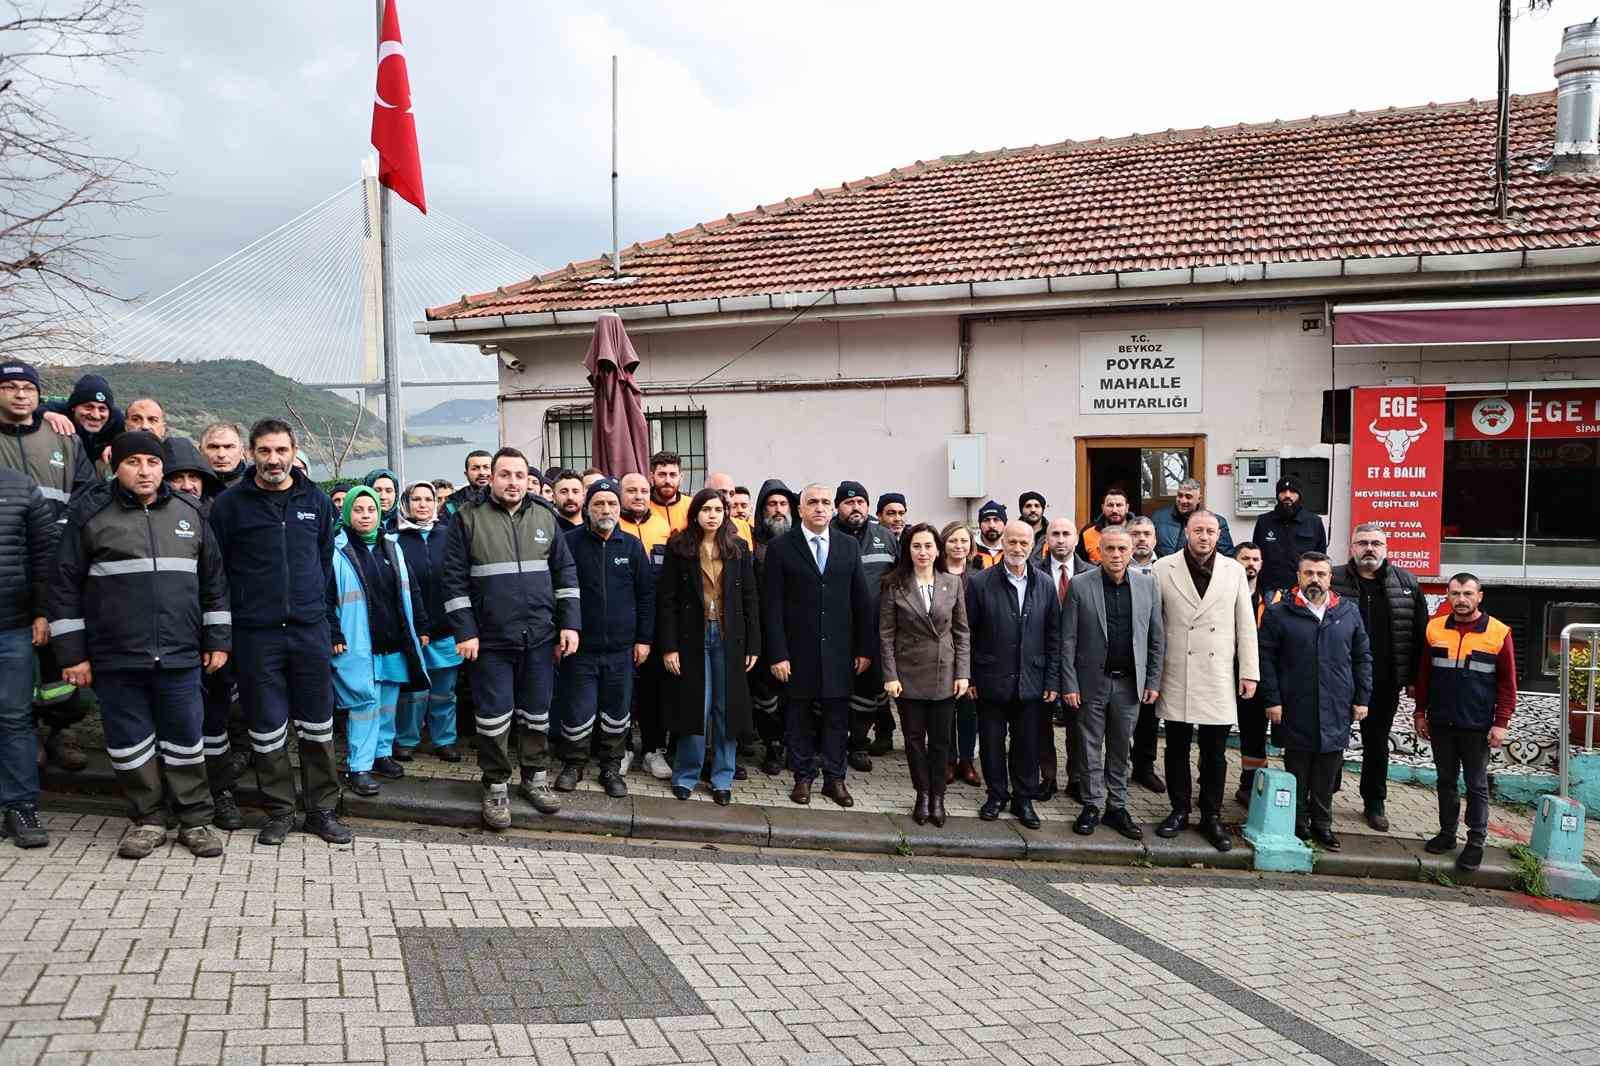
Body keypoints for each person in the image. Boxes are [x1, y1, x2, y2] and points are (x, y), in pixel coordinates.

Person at [50, 431, 231, 859]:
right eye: (134, 463)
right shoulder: (90, 514)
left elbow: (214, 584)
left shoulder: (189, 512)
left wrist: (218, 639)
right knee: (130, 744)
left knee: (187, 740)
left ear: (161, 467)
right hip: (117, 656)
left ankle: (195, 820)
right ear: (117, 465)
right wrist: (72, 653)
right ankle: (148, 819)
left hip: (180, 653)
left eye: (152, 462)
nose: (145, 471)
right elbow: (63, 587)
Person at [210, 419, 352, 846]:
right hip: (256, 635)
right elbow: (217, 575)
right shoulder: (230, 506)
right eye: (265, 451)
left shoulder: (317, 501)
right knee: (267, 726)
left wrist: (328, 624)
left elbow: (324, 566)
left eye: (281, 451)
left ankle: (322, 810)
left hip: (309, 632)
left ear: (294, 452)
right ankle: (279, 811)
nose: (274, 460)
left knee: (318, 725)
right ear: (251, 454)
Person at [441, 447, 580, 829]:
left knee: (537, 713)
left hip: (539, 635)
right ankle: (496, 784)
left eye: (520, 475)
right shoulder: (467, 518)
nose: (513, 482)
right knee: (493, 717)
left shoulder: (545, 516)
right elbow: (453, 580)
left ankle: (535, 779)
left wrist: (569, 625)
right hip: (490, 640)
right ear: (492, 478)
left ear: (527, 478)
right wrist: (466, 631)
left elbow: (565, 574)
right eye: (506, 475)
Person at [0, 361, 97, 777]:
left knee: (62, 663)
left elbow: (88, 492)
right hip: (9, 573)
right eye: (11, 387)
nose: (21, 395)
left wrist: (65, 532)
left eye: (28, 388)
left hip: (57, 568)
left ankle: (60, 732)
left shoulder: (61, 436)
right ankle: (27, 740)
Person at [1151, 510, 1259, 853]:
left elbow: (1246, 625)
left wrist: (1249, 672)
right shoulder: (1162, 568)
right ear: (1186, 532)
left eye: (1211, 531)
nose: (1204, 536)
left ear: (1218, 535)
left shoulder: (1234, 571)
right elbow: (1154, 625)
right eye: (1198, 530)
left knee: (1215, 751)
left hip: (1218, 673)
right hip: (1177, 670)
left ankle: (1210, 815)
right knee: (1177, 747)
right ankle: (1179, 809)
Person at [763, 483, 871, 808]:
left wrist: (864, 648)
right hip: (797, 652)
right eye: (813, 502)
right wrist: (778, 653)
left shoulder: (848, 546)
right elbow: (772, 606)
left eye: (825, 502)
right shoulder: (781, 547)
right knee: (799, 717)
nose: (820, 508)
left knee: (838, 717)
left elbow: (861, 602)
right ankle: (803, 777)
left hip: (839, 651)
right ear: (801, 509)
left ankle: (835, 779)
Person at [1260, 552, 1372, 850]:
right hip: (1295, 704)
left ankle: (1322, 824)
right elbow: (1266, 660)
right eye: (1308, 573)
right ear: (1298, 577)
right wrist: (1273, 700)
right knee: (1298, 769)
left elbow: (1362, 658)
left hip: (1337, 705)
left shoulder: (1347, 612)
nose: (1315, 579)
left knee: (1327, 770)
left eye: (1321, 574)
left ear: (1329, 578)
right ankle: (1297, 823)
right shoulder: (1279, 613)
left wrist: (1362, 698)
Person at [1060, 526, 1163, 840]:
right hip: (1092, 682)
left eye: (1122, 549)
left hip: (1130, 684)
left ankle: (1116, 806)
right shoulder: (1080, 585)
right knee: (1089, 746)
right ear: (1099, 552)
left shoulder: (1148, 586)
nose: (1116, 555)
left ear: (1131, 551)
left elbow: (1156, 639)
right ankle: (1092, 804)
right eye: (1110, 549)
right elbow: (1068, 640)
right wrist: (1070, 684)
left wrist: (1153, 680)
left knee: (1121, 748)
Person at [161, 436, 243, 828]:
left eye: (195, 477)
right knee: (174, 724)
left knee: (214, 721)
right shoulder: (151, 522)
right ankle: (176, 798)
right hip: (167, 638)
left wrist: (220, 640)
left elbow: (221, 585)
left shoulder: (218, 516)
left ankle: (220, 791)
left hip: (213, 639)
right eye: (178, 477)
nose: (189, 485)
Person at [553, 478, 653, 797]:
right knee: (579, 711)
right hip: (580, 649)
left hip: (622, 650)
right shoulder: (569, 542)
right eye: (599, 504)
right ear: (588, 507)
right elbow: (556, 592)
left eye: (611, 503)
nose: (605, 509)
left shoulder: (633, 547)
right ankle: (574, 764)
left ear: (618, 507)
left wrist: (644, 640)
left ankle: (610, 768)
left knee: (617, 712)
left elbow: (646, 596)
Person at [658, 487, 758, 804]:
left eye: (718, 509)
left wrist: (753, 644)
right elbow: (667, 601)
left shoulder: (739, 548)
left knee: (725, 708)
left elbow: (751, 600)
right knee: (695, 708)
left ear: (725, 513)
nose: (712, 515)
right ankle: (686, 775)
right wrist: (669, 646)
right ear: (695, 513)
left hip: (729, 638)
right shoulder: (679, 548)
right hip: (692, 638)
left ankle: (722, 778)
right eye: (706, 509)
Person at [1414, 573, 1517, 873]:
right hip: (1442, 721)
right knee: (1445, 781)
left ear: (1479, 596)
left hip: (1477, 724)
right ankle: (1447, 834)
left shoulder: (1498, 632)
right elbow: (1424, 676)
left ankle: (1475, 842)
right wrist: (1421, 712)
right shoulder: (1435, 628)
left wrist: (1501, 722)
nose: (1461, 600)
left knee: (1476, 785)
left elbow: (1508, 684)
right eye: (1455, 593)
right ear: (1447, 595)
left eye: (1468, 593)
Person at [331, 486, 430, 797]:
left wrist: (422, 626)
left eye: (370, 510)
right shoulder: (337, 551)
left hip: (394, 643)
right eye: (358, 510)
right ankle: (358, 767)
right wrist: (334, 632)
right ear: (347, 513)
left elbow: (411, 590)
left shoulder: (392, 547)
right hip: (360, 644)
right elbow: (323, 598)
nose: (365, 516)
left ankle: (381, 755)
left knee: (388, 705)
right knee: (364, 705)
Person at [1331, 523, 1429, 832]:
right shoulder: (1332, 578)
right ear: (1352, 547)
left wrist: (1414, 679)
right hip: (1339, 677)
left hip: (1385, 681)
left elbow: (1418, 635)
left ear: (1386, 548)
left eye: (1376, 543)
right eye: (1363, 542)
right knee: (1333, 740)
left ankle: (1374, 802)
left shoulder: (1407, 584)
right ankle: (1323, 797)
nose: (1369, 548)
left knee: (1377, 743)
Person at [966, 520, 1060, 829]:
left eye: (1024, 543)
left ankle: (1023, 799)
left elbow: (1053, 636)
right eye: (1012, 542)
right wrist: (971, 677)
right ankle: (996, 795)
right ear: (1002, 543)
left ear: (1033, 546)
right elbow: (968, 633)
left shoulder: (1045, 583)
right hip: (991, 677)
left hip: (1031, 680)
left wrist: (1051, 679)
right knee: (992, 742)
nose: (1017, 548)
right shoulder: (980, 582)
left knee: (1027, 744)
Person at [880, 523, 969, 827]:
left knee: (941, 740)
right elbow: (886, 635)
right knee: (915, 740)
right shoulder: (894, 584)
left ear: (937, 549)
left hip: (945, 674)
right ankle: (923, 794)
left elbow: (961, 633)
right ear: (908, 550)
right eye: (917, 546)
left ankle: (939, 796)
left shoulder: (952, 583)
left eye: (928, 546)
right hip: (908, 676)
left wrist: (963, 673)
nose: (923, 552)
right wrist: (890, 675)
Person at [0, 468, 59, 849]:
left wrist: (42, 611)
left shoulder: (19, 486)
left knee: (14, 717)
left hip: (12, 625)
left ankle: (20, 806)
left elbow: (45, 553)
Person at [393, 482, 463, 764]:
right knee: (413, 691)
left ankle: (444, 740)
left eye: (428, 499)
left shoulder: (449, 536)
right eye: (416, 499)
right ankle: (407, 740)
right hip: (411, 630)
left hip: (446, 629)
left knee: (444, 691)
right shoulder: (394, 540)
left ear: (436, 504)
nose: (422, 504)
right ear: (406, 504)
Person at [835, 480, 899, 770]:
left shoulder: (884, 536)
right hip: (835, 630)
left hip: (874, 630)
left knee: (869, 691)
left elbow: (900, 579)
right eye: (849, 502)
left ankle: (858, 744)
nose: (855, 507)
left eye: (861, 501)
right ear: (838, 506)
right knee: (834, 690)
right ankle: (832, 743)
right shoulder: (828, 534)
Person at [618, 471, 674, 779]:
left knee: (655, 691)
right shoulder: (614, 525)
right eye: (631, 490)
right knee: (623, 691)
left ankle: (654, 750)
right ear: (620, 494)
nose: (638, 495)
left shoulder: (663, 527)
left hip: (657, 623)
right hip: (622, 623)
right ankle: (624, 748)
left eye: (643, 490)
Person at [1036, 517, 1092, 802]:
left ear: (1076, 539)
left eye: (1066, 534)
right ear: (1047, 539)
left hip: (1080, 662)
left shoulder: (1092, 573)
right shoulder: (1034, 573)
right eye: (1055, 534)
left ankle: (1077, 778)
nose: (1060, 539)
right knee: (1041, 724)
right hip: (1042, 659)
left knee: (1078, 724)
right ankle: (1047, 777)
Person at [749, 479, 798, 776]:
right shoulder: (752, 544)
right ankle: (772, 745)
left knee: (795, 695)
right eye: (772, 504)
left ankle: (795, 745)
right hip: (763, 634)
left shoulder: (802, 542)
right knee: (765, 695)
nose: (778, 510)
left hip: (796, 633)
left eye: (783, 504)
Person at [1232, 541, 1279, 806]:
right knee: (1213, 731)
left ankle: (1249, 787)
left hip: (1255, 677)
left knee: (1254, 733)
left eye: (1255, 559)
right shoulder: (1223, 592)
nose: (1250, 563)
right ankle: (1207, 781)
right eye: (1245, 558)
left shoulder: (1272, 599)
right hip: (1224, 672)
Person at [939, 519, 984, 787]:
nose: (958, 545)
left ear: (971, 546)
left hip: (971, 654)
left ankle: (966, 760)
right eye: (953, 540)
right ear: (944, 544)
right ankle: (947, 759)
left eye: (963, 541)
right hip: (941, 655)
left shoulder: (978, 578)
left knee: (968, 711)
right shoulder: (933, 574)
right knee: (944, 711)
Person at [1251, 476, 1328, 593]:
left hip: (1302, 591)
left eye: (1292, 491)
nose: (1287, 495)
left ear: (1300, 495)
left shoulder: (1314, 522)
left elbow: (1321, 560)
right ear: (1277, 495)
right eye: (1283, 491)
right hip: (1270, 591)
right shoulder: (1263, 522)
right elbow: (1256, 557)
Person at [44, 373, 123, 474]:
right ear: (74, 407)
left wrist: (115, 445)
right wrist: (47, 414)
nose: (96, 415)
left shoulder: (116, 419)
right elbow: (34, 410)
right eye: (88, 407)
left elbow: (125, 437)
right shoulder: (61, 411)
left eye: (102, 409)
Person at [1152, 478, 1235, 558]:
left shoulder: (1217, 522)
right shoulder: (1159, 518)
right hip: (1165, 570)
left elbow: (1227, 556)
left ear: (1199, 499)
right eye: (1180, 496)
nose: (1183, 501)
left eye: (1188, 497)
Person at [1079, 488, 1133, 564]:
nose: (1114, 510)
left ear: (1127, 508)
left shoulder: (1139, 531)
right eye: (1110, 505)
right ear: (1103, 508)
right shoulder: (1088, 533)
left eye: (1119, 505)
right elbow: (1080, 566)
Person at [704, 471, 753, 548]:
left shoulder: (743, 527)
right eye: (722, 492)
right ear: (706, 493)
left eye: (731, 494)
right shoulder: (693, 526)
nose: (728, 499)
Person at [443, 450, 493, 520]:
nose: (482, 472)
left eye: (486, 467)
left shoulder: (504, 498)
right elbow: (443, 528)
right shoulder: (453, 503)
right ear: (466, 474)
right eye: (475, 468)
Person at [649, 450, 690, 531]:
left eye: (673, 475)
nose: (667, 480)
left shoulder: (691, 505)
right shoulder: (643, 507)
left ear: (681, 477)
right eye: (662, 475)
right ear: (652, 477)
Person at [200, 422, 247, 488]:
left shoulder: (259, 484)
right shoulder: (189, 485)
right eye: (213, 447)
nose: (221, 454)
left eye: (228, 447)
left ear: (242, 451)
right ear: (201, 451)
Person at [973, 500, 1006, 568]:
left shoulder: (1011, 550)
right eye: (986, 520)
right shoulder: (970, 549)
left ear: (1004, 524)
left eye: (996, 520)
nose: (991, 525)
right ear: (979, 525)